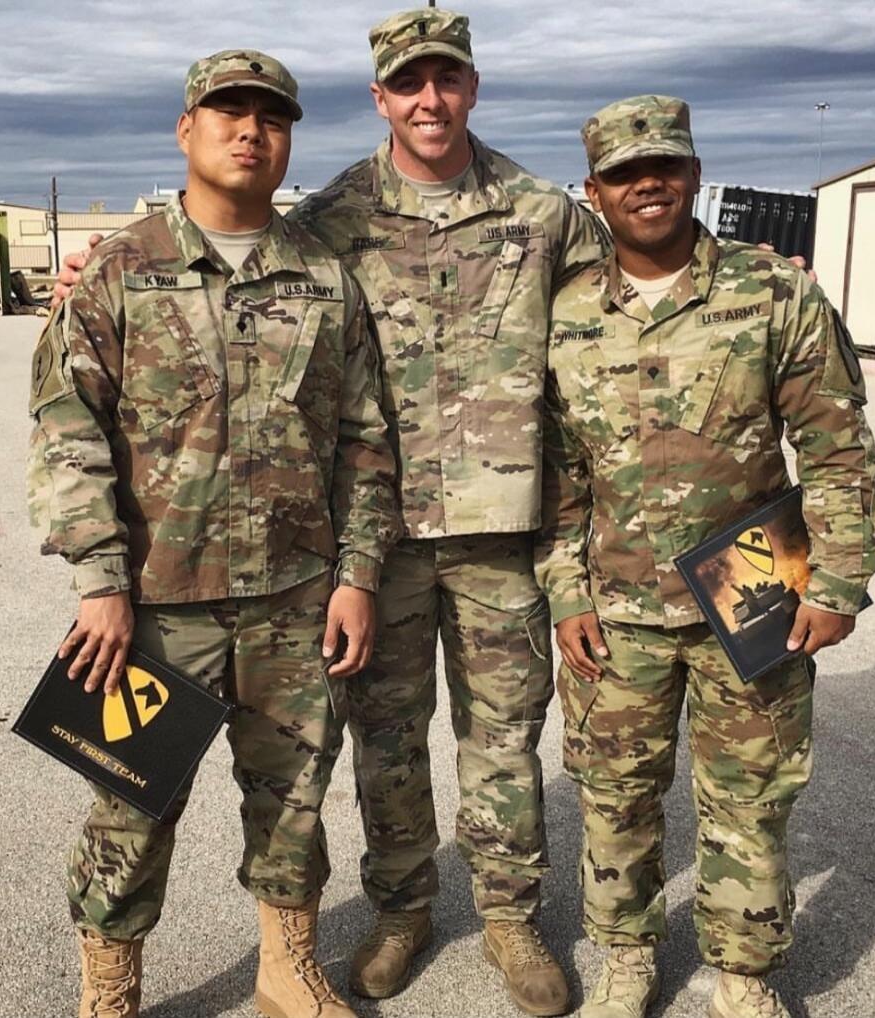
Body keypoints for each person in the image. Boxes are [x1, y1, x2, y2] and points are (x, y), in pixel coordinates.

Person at [27, 50, 399, 1018]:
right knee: (132, 800)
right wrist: (101, 583)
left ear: (288, 139)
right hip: (157, 601)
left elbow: (364, 436)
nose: (250, 131)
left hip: (294, 596)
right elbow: (69, 428)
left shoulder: (323, 276)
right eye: (227, 112)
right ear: (185, 129)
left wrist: (358, 574)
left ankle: (287, 968)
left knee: (293, 800)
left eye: (271, 117)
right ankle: (110, 984)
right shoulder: (121, 267)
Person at [534, 96, 875, 1018]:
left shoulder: (774, 292)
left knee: (751, 795)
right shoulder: (567, 316)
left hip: (754, 589)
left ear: (694, 174)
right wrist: (568, 593)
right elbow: (560, 475)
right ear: (594, 192)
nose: (646, 183)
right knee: (614, 796)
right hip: (617, 610)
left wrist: (843, 580)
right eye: (623, 172)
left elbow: (837, 446)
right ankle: (625, 959)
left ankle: (742, 972)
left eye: (665, 164)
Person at [282, 10, 609, 1014]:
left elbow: (615, 326)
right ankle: (404, 906)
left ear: (473, 87)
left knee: (505, 735)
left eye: (447, 80)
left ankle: (509, 916)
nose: (430, 99)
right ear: (380, 97)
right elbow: (244, 302)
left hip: (508, 534)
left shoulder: (543, 213)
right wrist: (89, 284)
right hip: (375, 542)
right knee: (386, 737)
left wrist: (760, 280)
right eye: (409, 83)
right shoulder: (330, 220)